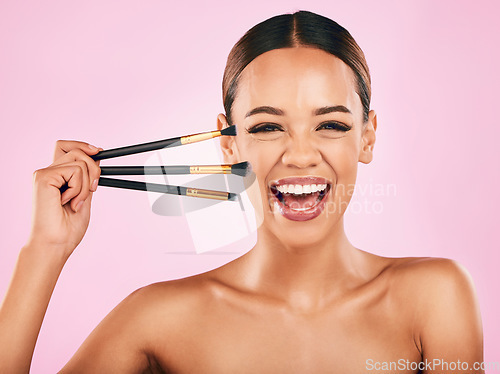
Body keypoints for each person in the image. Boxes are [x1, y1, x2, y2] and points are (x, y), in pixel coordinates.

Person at [0, 10, 484, 373]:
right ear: (229, 143)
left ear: (368, 136)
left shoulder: (435, 297)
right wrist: (44, 250)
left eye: (331, 124)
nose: (299, 155)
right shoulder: (158, 319)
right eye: (269, 127)